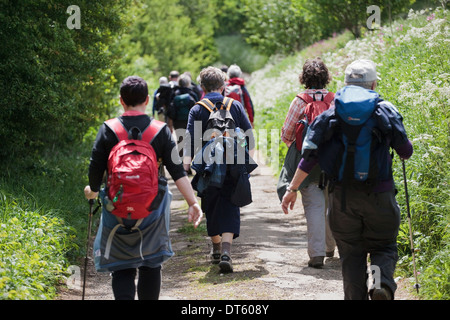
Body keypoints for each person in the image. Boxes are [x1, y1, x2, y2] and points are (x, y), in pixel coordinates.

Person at [281, 59, 414, 300]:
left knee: (352, 254)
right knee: (383, 246)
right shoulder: (385, 109)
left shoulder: (330, 114)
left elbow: (309, 157)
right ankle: (381, 283)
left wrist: (292, 188)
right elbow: (405, 151)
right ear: (373, 84)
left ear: (345, 83)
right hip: (379, 195)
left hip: (342, 199)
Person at [84, 75, 203, 300]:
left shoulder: (108, 129)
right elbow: (177, 172)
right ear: (147, 100)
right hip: (153, 208)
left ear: (121, 100)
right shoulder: (159, 130)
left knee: (122, 266)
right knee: (151, 263)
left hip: (115, 207)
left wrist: (91, 190)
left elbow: (95, 169)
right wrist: (193, 202)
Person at [183, 66, 254, 273]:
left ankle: (216, 247)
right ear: (224, 86)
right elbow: (250, 137)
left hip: (208, 167)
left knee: (211, 205)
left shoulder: (197, 108)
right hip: (234, 164)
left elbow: (189, 141)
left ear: (202, 87)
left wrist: (186, 167)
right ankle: (225, 251)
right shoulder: (236, 105)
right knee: (231, 205)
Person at [280, 57, 336, 268]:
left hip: (307, 162)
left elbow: (287, 134)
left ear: (304, 78)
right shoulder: (334, 99)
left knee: (313, 204)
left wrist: (298, 147)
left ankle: (317, 254)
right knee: (330, 202)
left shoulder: (299, 100)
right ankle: (331, 247)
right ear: (326, 77)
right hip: (332, 160)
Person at [167, 73, 199, 159]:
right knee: (190, 142)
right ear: (188, 83)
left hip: (178, 122)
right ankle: (188, 164)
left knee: (180, 141)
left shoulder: (174, 93)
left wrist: (169, 124)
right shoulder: (192, 93)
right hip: (190, 121)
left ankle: (182, 163)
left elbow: (171, 110)